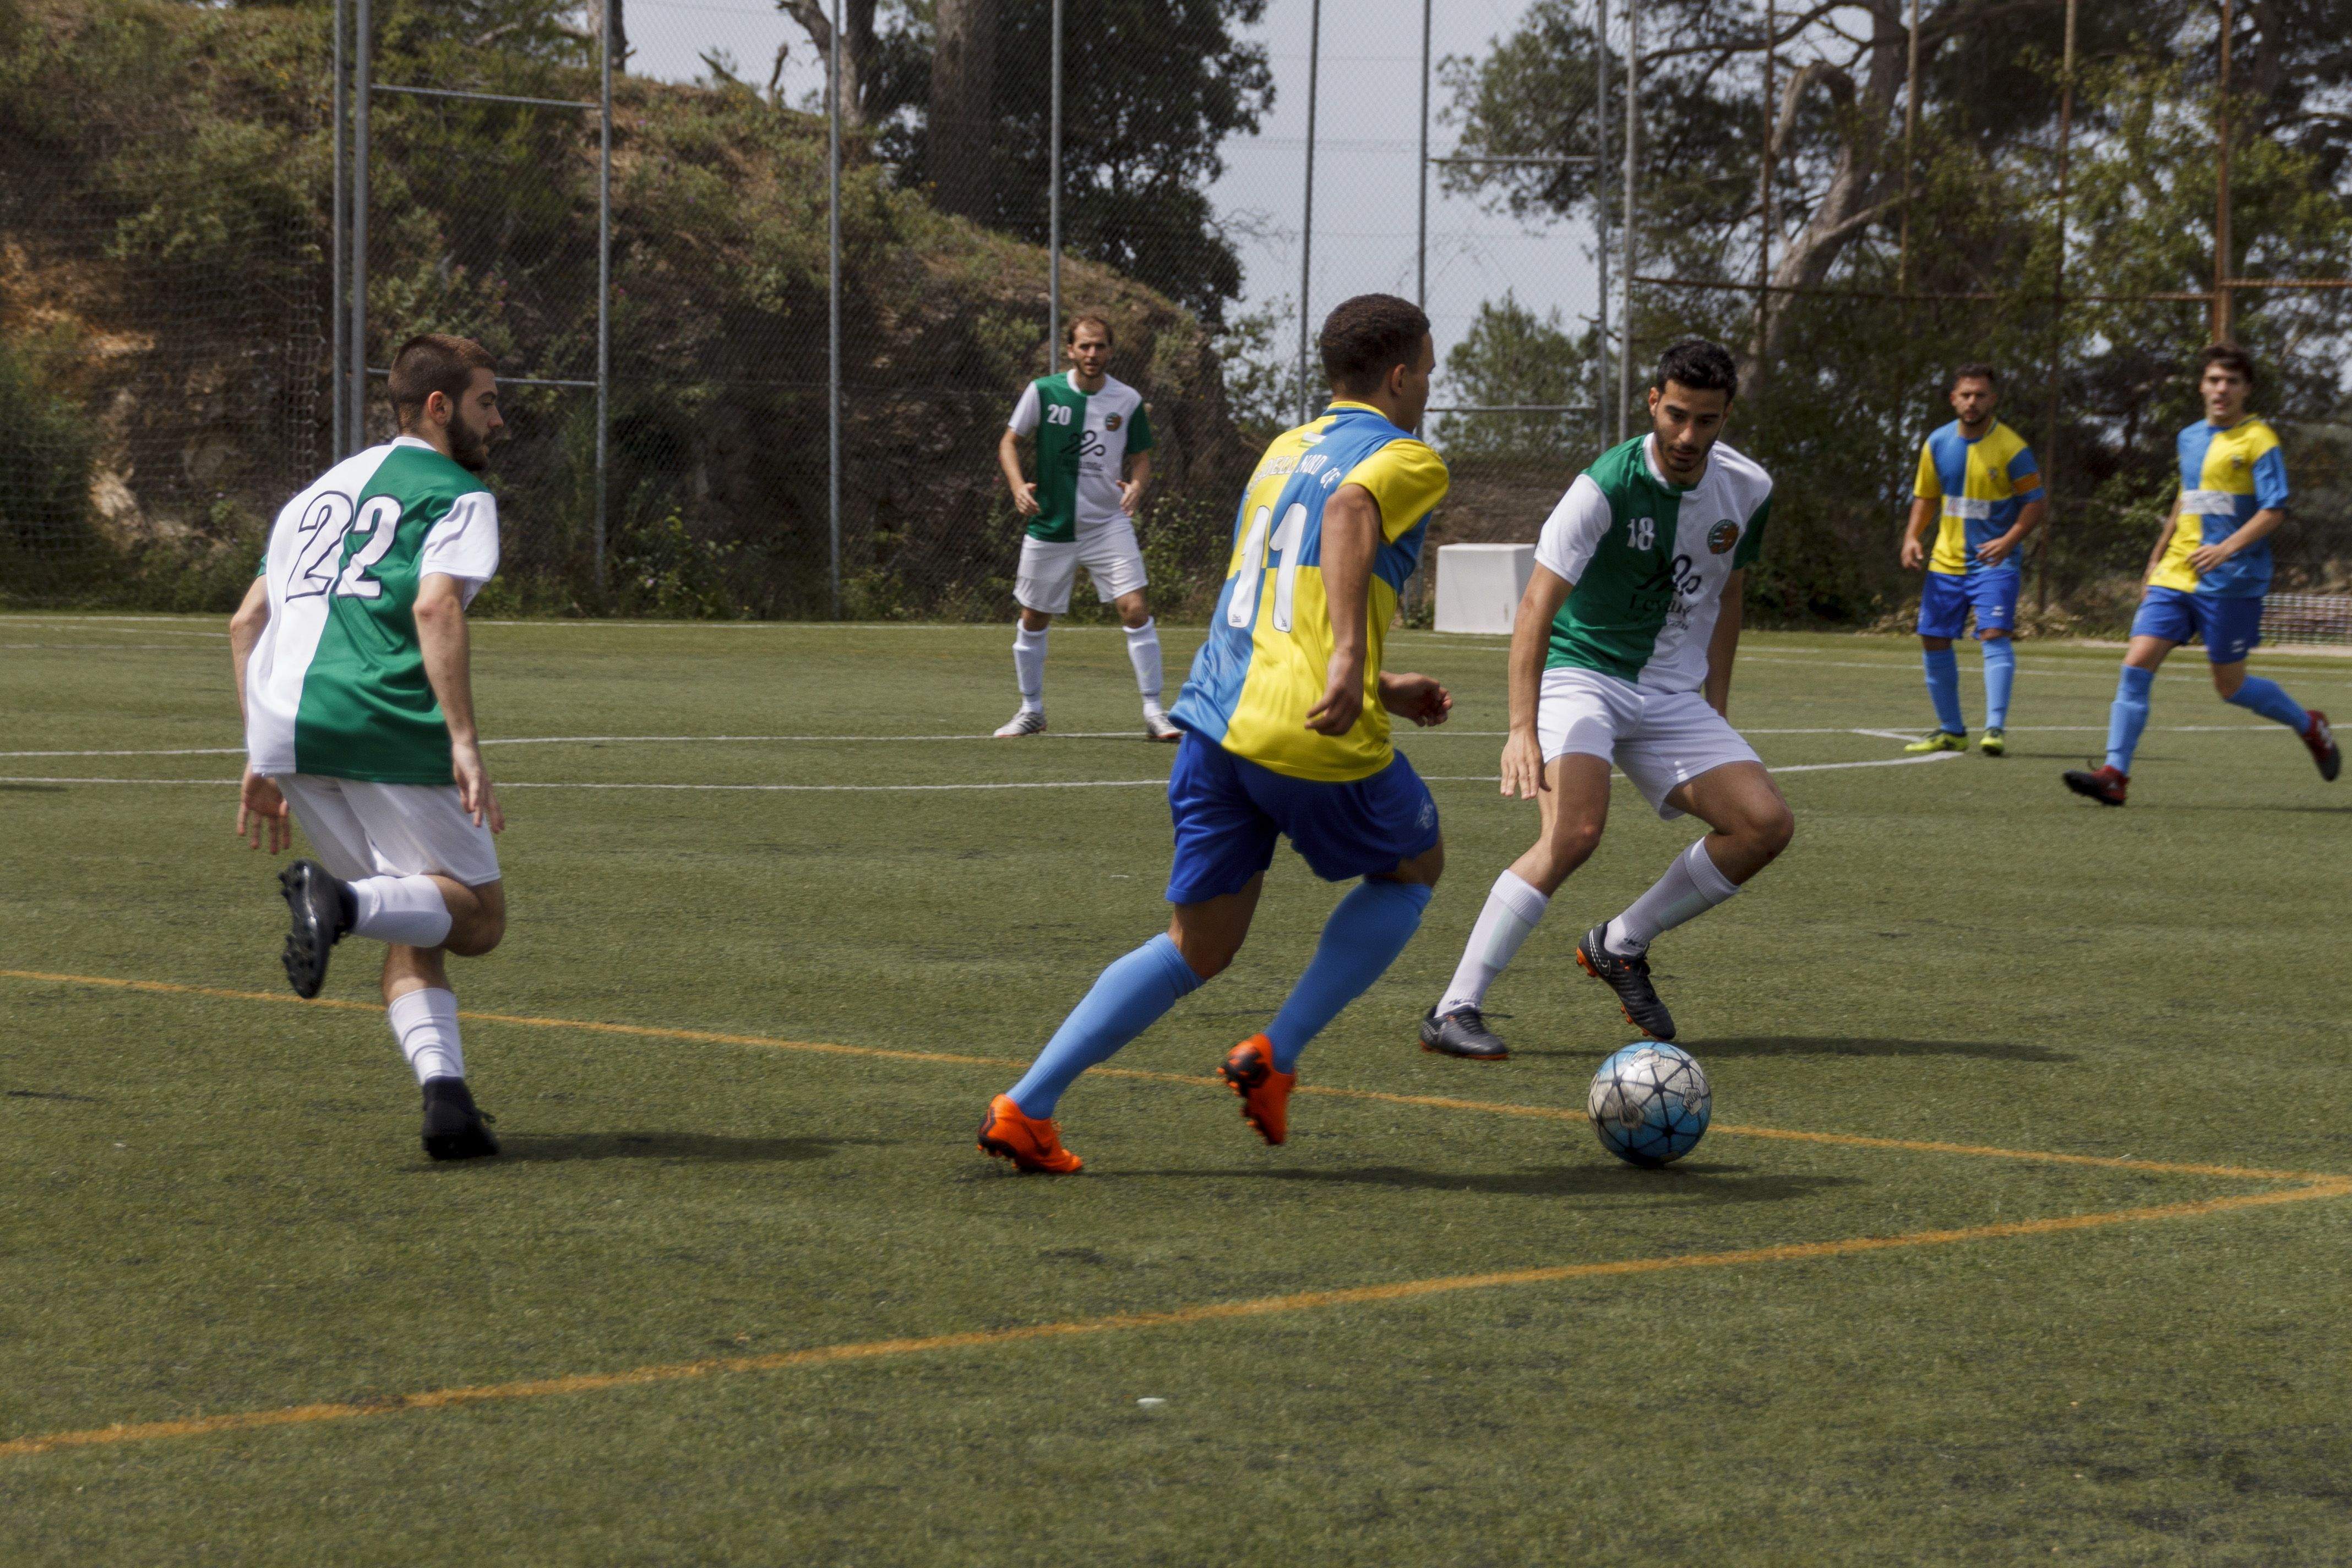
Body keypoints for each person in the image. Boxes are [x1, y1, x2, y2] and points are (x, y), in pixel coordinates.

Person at [976, 293, 1454, 1172]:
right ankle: (1277, 1052)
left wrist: (1379, 681)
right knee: (1415, 869)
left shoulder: (1281, 451)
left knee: (1196, 946)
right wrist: (1353, 662)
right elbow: (1350, 515)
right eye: (1427, 369)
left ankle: (1027, 1105)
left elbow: (1272, 601)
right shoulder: (1405, 456)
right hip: (1307, 731)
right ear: (1398, 377)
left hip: (1212, 721)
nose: (1429, 385)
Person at [1419, 339, 1793, 1063]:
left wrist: (1717, 706)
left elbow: (1730, 595)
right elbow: (1536, 605)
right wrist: (1521, 728)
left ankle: (1621, 943)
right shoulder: (1603, 487)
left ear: (1725, 418)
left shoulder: (1749, 489)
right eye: (1676, 415)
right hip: (1583, 675)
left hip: (1671, 692)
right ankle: (1453, 1007)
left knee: (1764, 825)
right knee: (1575, 833)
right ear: (1652, 402)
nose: (1688, 436)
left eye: (1706, 421)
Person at [228, 332, 511, 1161]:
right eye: (487, 402)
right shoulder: (459, 493)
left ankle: (447, 1103)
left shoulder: (314, 495)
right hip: (380, 719)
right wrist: (464, 741)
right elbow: (434, 607)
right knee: (479, 918)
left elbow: (247, 622)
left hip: (288, 725)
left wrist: (259, 752)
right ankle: (340, 904)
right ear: (439, 407)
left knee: (414, 913)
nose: (498, 421)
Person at [2063, 344, 2339, 805]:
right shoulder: (2189, 437)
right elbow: (2185, 496)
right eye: (2214, 380)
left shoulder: (2259, 440)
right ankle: (2115, 774)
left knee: (2231, 687)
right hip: (2177, 573)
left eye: (2231, 382)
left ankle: (2308, 724)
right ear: (2201, 386)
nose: (2221, 389)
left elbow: (2274, 510)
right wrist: (2156, 556)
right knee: (2136, 664)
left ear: (2246, 389)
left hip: (2231, 579)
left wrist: (2226, 549)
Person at [994, 313, 1177, 741]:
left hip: (1107, 525)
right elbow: (1009, 442)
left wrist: (1137, 486)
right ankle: (1031, 710)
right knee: (1033, 617)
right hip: (1051, 525)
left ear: (1110, 351)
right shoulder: (1044, 392)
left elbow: (1142, 458)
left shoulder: (1127, 400)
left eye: (1100, 346)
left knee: (1135, 608)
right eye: (1085, 346)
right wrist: (1018, 487)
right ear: (1071, 350)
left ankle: (1155, 711)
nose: (1092, 353)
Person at [1898, 364, 2045, 756]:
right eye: (1965, 395)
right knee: (1933, 637)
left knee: (1994, 633)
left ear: (1993, 400)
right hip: (1946, 563)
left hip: (1993, 562)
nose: (1972, 402)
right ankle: (1951, 730)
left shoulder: (2013, 448)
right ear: (1953, 399)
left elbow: (2035, 503)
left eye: (1980, 395)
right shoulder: (1937, 443)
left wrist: (2009, 541)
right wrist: (1912, 536)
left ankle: (1994, 728)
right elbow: (1927, 496)